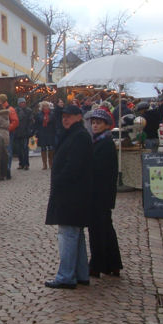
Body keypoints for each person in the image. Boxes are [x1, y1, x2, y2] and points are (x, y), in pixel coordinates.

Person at [44, 104, 93, 289]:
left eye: (69, 116)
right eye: (64, 116)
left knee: (68, 235)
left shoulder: (79, 136)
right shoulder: (74, 134)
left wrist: (60, 180)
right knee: (75, 234)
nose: (65, 119)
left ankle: (66, 276)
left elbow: (74, 166)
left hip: (72, 193)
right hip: (73, 193)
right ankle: (81, 273)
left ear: (79, 117)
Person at [87, 109, 123, 278]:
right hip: (101, 193)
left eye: (98, 123)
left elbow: (99, 169)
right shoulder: (99, 141)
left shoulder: (105, 143)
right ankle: (113, 263)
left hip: (100, 194)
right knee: (106, 228)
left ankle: (97, 264)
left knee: (98, 230)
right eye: (93, 123)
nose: (95, 125)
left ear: (106, 125)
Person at [0, 94, 19, 179]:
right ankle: (4, 170)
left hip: (8, 133)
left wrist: (7, 129)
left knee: (8, 151)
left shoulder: (10, 109)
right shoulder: (3, 109)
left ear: (1, 100)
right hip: (3, 133)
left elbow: (15, 121)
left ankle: (7, 169)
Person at [34, 101, 56, 170]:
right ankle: (44, 164)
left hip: (50, 132)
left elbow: (54, 123)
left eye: (47, 106)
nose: (46, 107)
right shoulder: (38, 114)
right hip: (42, 133)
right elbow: (36, 124)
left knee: (51, 148)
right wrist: (36, 132)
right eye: (44, 106)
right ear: (42, 107)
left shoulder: (52, 113)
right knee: (43, 148)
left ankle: (51, 163)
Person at [14, 98, 33, 170]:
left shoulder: (28, 110)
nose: (23, 104)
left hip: (25, 132)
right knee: (19, 150)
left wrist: (29, 129)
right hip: (17, 132)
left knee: (25, 149)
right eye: (21, 102)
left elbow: (30, 121)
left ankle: (26, 164)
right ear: (18, 103)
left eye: (24, 102)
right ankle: (21, 163)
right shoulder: (15, 111)